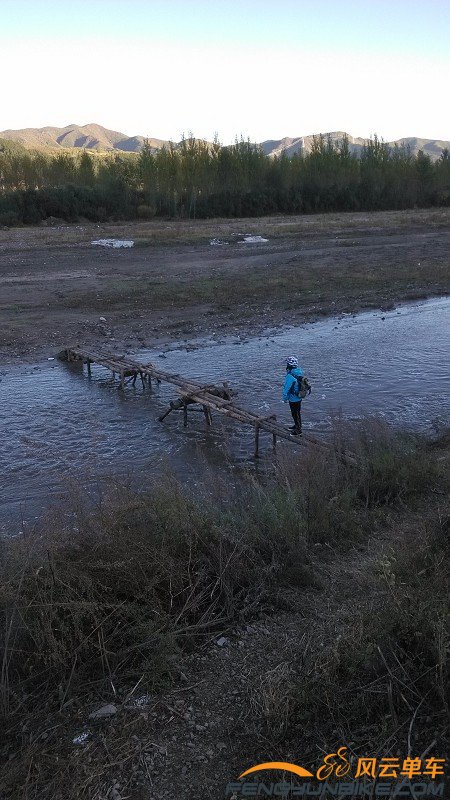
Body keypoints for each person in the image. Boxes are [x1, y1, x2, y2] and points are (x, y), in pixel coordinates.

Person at [282, 356, 303, 435]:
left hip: (293, 398)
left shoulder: (290, 376)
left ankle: (298, 430)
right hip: (299, 396)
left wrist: (284, 399)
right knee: (297, 413)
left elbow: (286, 389)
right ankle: (297, 425)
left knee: (294, 413)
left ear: (289, 365)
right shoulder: (299, 372)